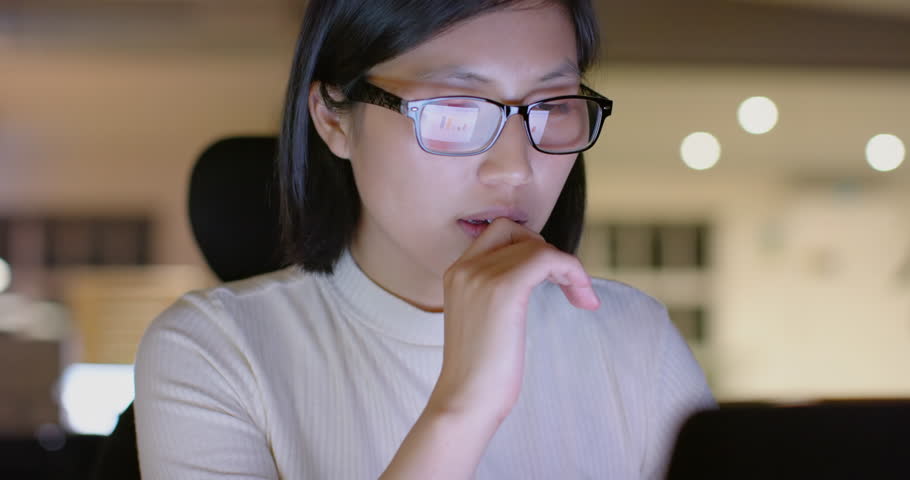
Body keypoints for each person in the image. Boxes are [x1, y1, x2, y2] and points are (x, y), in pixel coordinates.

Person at [134, 0, 715, 478]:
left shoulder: (635, 338)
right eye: (454, 109)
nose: (514, 169)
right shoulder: (217, 352)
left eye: (552, 105)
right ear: (334, 117)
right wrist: (462, 405)